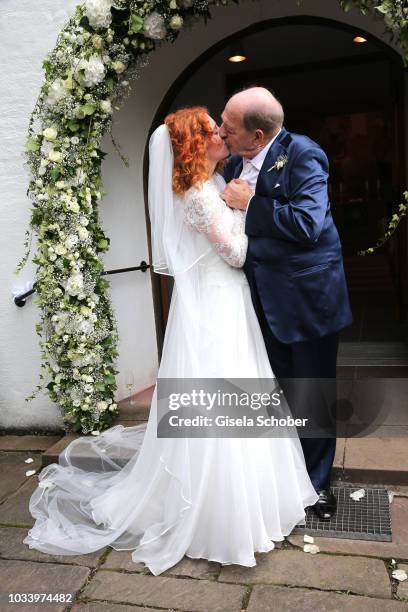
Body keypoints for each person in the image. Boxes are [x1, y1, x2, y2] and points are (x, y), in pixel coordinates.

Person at [23, 107, 319, 576]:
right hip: (215, 309)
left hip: (224, 303)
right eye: (212, 130)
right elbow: (237, 253)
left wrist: (238, 199)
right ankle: (219, 517)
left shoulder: (214, 184)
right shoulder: (201, 195)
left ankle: (249, 503)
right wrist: (245, 206)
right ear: (195, 145)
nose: (222, 133)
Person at [220, 87, 353, 519]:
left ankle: (316, 485)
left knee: (311, 394)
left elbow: (307, 223)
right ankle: (284, 477)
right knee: (278, 394)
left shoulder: (304, 155)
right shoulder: (237, 161)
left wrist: (251, 203)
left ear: (258, 137)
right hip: (259, 298)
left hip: (307, 299)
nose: (221, 130)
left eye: (229, 125)